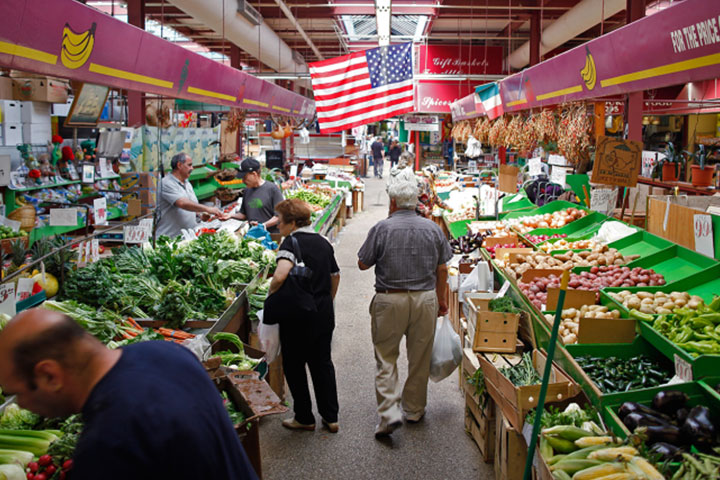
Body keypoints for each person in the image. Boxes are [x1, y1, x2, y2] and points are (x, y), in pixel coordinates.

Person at [0, 309, 258, 480]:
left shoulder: (107, 446)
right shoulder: (168, 354)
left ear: (49, 375)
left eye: (17, 393)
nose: (21, 404)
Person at [357, 180, 452, 439]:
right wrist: (442, 300)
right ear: (417, 201)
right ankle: (413, 410)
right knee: (419, 357)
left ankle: (388, 414)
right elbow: (443, 268)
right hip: (424, 299)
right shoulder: (433, 229)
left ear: (393, 202)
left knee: (386, 358)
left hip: (389, 300)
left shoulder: (382, 228)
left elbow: (363, 263)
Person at [267, 199, 341, 432]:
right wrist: (327, 299)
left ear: (292, 223)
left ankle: (304, 418)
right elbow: (335, 275)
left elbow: (280, 276)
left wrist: (271, 294)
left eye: (280, 220)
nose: (278, 225)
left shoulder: (290, 242)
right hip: (322, 311)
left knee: (295, 364)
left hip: (297, 315)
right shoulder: (323, 242)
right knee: (322, 363)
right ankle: (331, 417)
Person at [156, 152, 226, 238]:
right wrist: (207, 209)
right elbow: (182, 203)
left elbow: (192, 204)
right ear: (179, 165)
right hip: (170, 237)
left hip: (186, 236)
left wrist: (200, 215)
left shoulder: (187, 183)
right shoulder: (166, 183)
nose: (192, 168)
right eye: (189, 165)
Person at [231, 158, 284, 233]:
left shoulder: (272, 189)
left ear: (254, 174)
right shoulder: (247, 191)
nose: (243, 181)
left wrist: (262, 226)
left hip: (271, 236)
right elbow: (244, 215)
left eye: (244, 177)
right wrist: (230, 216)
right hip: (253, 235)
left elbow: (279, 216)